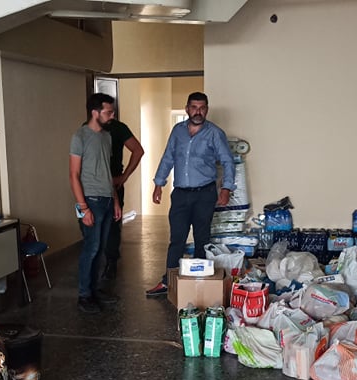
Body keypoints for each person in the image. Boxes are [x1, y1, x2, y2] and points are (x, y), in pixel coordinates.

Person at [145, 92, 235, 297]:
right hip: (180, 194)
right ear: (187, 109)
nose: (198, 112)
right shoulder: (178, 131)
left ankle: (199, 282)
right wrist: (159, 184)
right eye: (194, 107)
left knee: (202, 238)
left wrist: (226, 188)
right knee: (177, 238)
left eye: (202, 108)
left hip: (205, 194)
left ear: (207, 110)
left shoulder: (215, 133)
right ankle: (168, 282)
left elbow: (227, 161)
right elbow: (168, 157)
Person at [70, 93, 123, 313]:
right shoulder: (80, 136)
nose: (112, 116)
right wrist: (83, 208)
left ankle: (94, 290)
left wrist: (116, 200)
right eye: (108, 112)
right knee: (91, 249)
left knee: (101, 249)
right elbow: (74, 175)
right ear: (95, 112)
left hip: (107, 199)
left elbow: (107, 172)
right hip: (90, 200)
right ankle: (84, 296)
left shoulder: (107, 137)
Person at [103, 116, 144, 280]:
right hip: (91, 186)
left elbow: (138, 150)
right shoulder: (86, 131)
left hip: (113, 184)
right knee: (92, 226)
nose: (112, 115)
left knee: (113, 224)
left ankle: (111, 262)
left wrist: (124, 176)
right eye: (108, 111)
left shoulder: (118, 128)